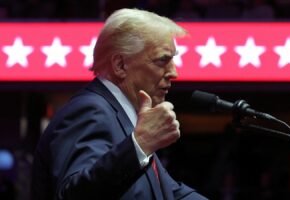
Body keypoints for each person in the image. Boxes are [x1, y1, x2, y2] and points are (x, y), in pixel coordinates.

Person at [31, 8, 207, 200]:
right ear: (120, 65)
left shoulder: (125, 117)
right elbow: (73, 195)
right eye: (162, 60)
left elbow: (168, 192)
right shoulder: (91, 110)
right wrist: (141, 144)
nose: (174, 72)